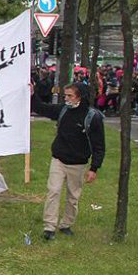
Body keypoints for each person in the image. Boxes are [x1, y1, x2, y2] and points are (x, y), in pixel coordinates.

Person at [30, 82, 104, 241]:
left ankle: (66, 224)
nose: (66, 99)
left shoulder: (92, 117)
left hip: (78, 163)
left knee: (73, 196)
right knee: (53, 191)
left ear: (80, 97)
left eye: (70, 96)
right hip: (58, 159)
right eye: (65, 96)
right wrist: (32, 94)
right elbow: (42, 108)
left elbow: (99, 145)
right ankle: (49, 227)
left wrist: (94, 168)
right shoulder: (63, 110)